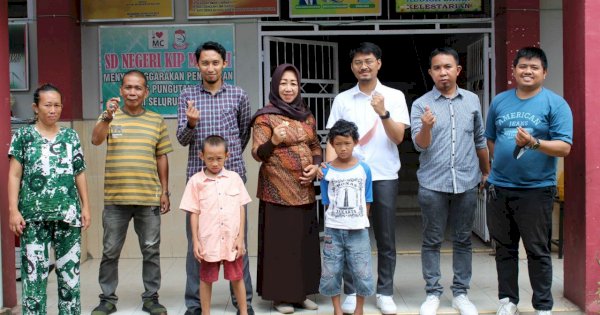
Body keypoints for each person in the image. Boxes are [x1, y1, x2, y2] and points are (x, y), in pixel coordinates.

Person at [485, 47, 573, 315]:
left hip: (536, 191)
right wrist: (498, 169)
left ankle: (543, 306)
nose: (527, 71)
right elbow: (491, 138)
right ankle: (508, 301)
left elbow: (564, 147)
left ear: (544, 73)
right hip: (500, 189)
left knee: (537, 251)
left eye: (534, 68)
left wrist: (534, 143)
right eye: (522, 66)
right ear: (513, 71)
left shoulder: (555, 104)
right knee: (504, 249)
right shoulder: (500, 101)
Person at [325, 42, 410, 315]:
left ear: (379, 63)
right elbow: (331, 140)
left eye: (369, 61)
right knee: (349, 236)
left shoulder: (394, 96)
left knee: (385, 238)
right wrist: (330, 173)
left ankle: (384, 291)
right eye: (358, 62)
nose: (364, 66)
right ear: (352, 67)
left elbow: (398, 137)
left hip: (383, 175)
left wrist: (383, 112)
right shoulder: (343, 99)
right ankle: (351, 290)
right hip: (347, 178)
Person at [410, 48, 489, 315]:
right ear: (431, 72)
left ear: (458, 70)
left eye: (447, 67)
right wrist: (427, 126)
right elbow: (420, 146)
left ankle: (460, 293)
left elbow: (479, 139)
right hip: (433, 184)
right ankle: (432, 293)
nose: (442, 72)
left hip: (466, 181)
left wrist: (485, 171)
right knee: (432, 240)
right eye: (437, 68)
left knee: (463, 239)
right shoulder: (421, 104)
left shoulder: (472, 101)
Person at [176, 41, 253, 315]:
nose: (211, 67)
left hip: (232, 182)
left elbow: (244, 134)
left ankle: (244, 304)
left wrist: (228, 164)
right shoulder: (187, 96)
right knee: (196, 245)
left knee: (237, 244)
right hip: (200, 184)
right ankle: (195, 305)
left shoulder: (238, 95)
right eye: (205, 62)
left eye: (215, 62)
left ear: (224, 63)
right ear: (197, 64)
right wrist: (191, 123)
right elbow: (182, 139)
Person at [91, 70, 173, 315]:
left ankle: (151, 298)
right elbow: (95, 140)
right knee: (109, 251)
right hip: (116, 199)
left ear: (146, 92)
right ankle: (107, 298)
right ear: (121, 90)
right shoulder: (110, 117)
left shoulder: (156, 120)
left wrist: (165, 191)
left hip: (148, 197)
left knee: (151, 250)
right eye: (128, 87)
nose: (133, 92)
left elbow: (162, 156)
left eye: (138, 88)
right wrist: (106, 117)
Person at [8, 84, 91, 315]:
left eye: (57, 105)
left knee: (70, 280)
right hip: (32, 218)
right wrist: (13, 210)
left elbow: (79, 172)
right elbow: (14, 175)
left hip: (68, 215)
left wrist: (86, 207)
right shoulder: (24, 136)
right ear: (36, 107)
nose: (53, 110)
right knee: (34, 280)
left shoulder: (70, 136)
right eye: (47, 105)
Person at [251, 63, 322, 314]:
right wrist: (274, 140)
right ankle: (281, 297)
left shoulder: (306, 115)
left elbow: (316, 146)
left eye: (293, 83)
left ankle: (301, 294)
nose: (289, 88)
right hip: (276, 191)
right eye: (284, 83)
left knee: (303, 243)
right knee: (281, 246)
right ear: (275, 86)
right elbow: (257, 154)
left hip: (304, 191)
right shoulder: (264, 117)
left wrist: (315, 167)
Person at [180, 135, 251, 315]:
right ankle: (205, 312)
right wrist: (195, 241)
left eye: (219, 158)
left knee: (237, 277)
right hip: (208, 241)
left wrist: (240, 238)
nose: (214, 163)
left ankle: (243, 311)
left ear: (227, 156)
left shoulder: (235, 178)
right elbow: (193, 213)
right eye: (210, 158)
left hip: (231, 240)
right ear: (201, 156)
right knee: (206, 279)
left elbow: (241, 208)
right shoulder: (196, 182)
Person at [319, 119, 374, 315]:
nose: (343, 148)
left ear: (356, 142)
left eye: (347, 143)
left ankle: (359, 309)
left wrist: (361, 220)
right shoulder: (326, 170)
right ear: (332, 144)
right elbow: (326, 200)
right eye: (339, 144)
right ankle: (337, 309)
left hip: (358, 230)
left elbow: (368, 197)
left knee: (362, 270)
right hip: (333, 230)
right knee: (332, 270)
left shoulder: (364, 169)